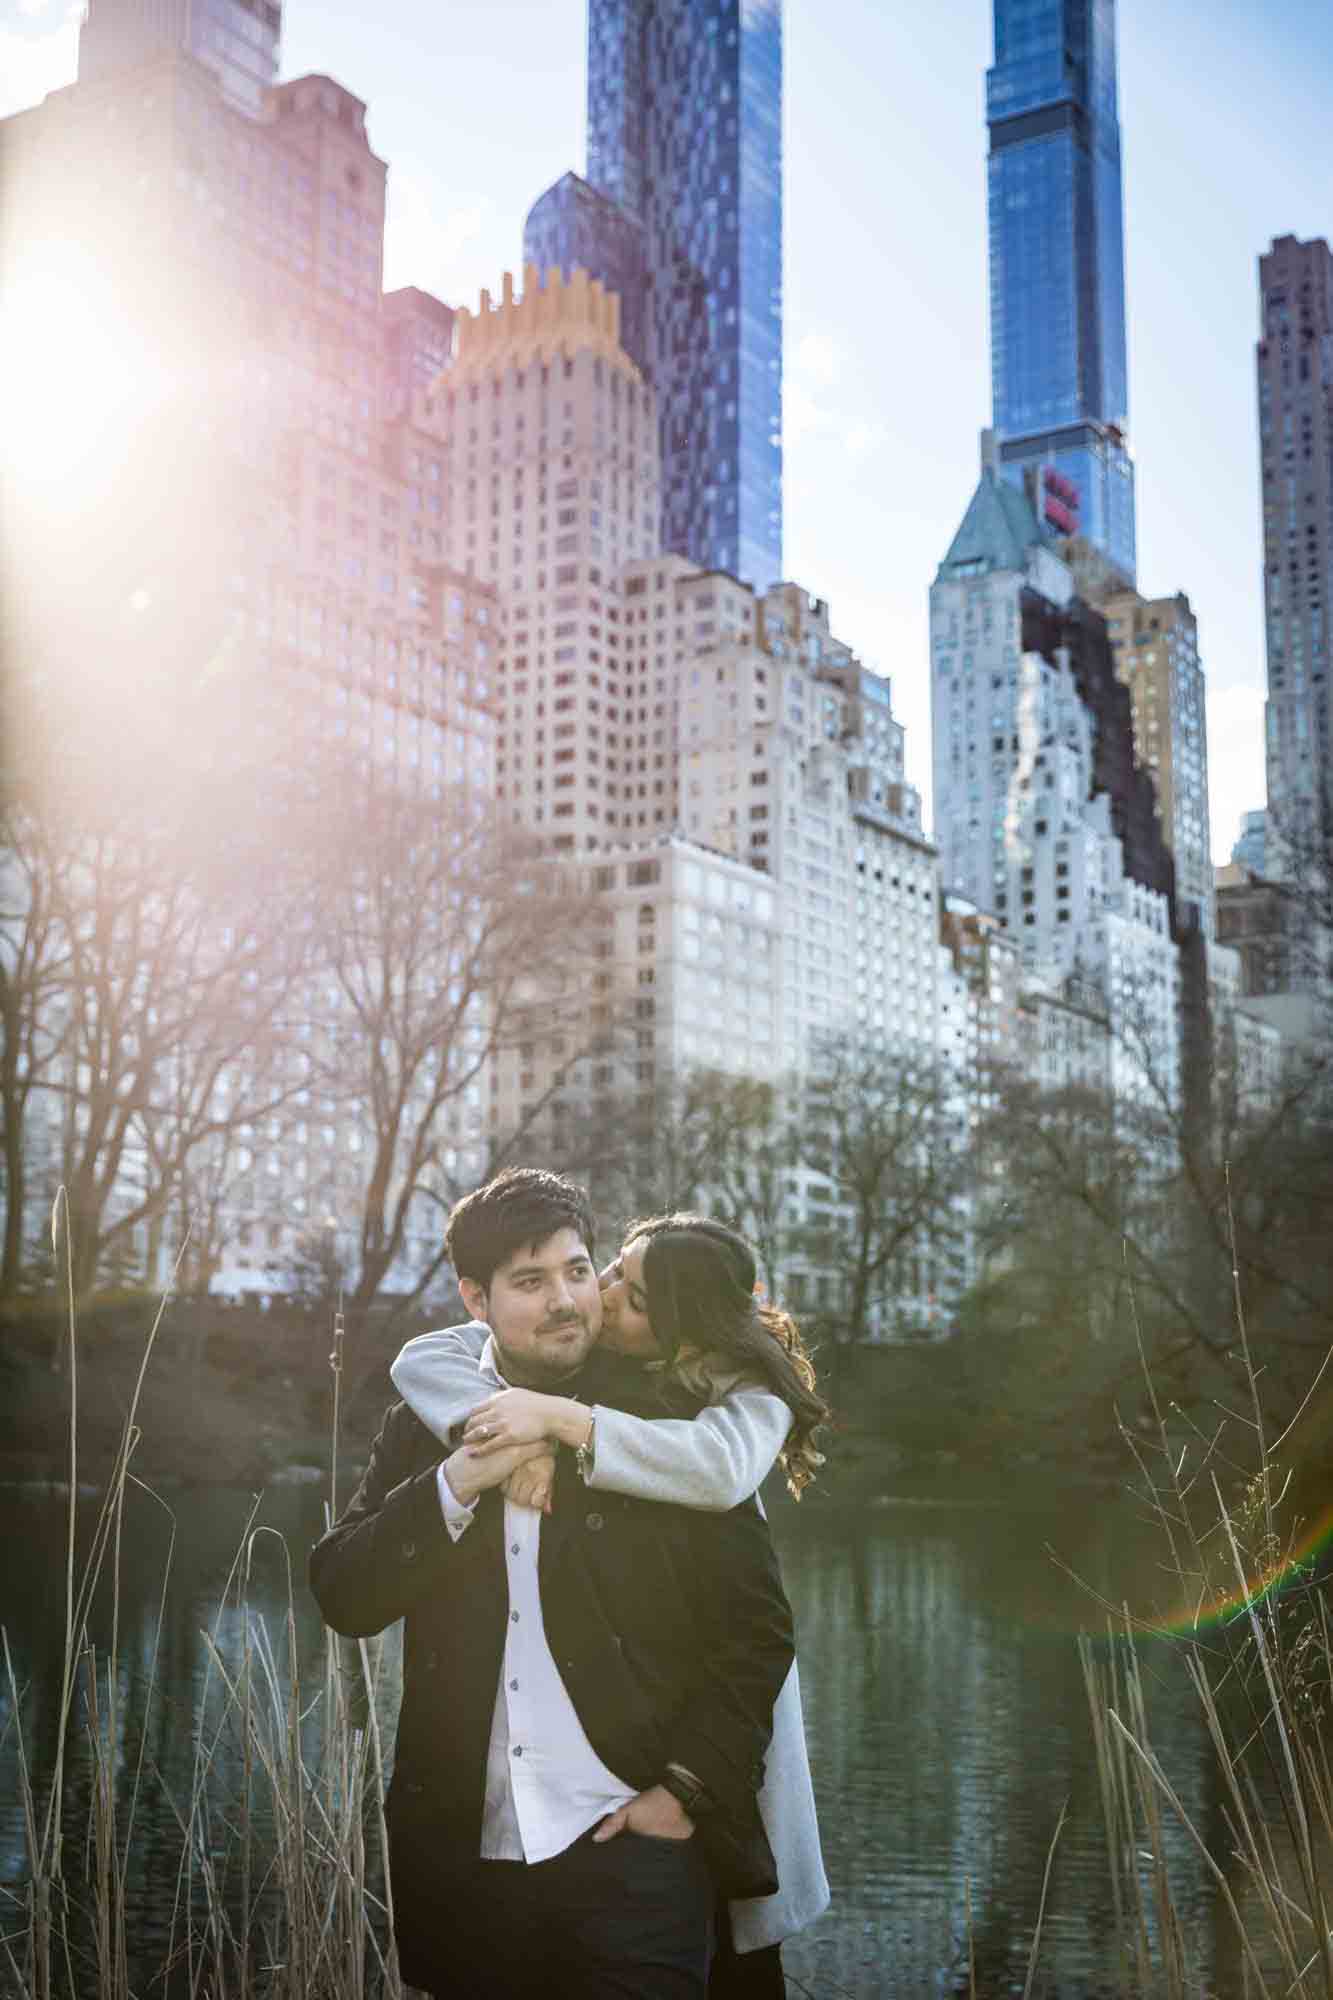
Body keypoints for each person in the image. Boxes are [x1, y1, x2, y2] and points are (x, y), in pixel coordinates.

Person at [309, 1170, 797, 2000]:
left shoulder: (662, 1424)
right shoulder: (429, 1423)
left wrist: (683, 1791)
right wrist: (461, 1479)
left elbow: (756, 1637)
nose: (567, 1300)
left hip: (637, 1851)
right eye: (530, 1282)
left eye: (579, 1270)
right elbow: (346, 1595)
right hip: (471, 1856)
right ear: (475, 1298)